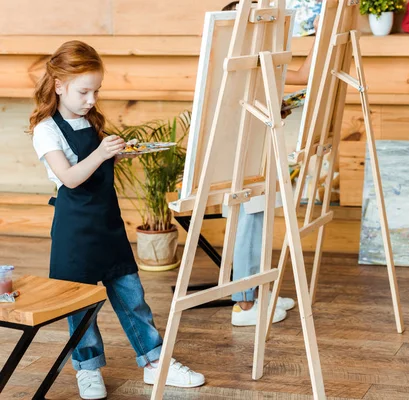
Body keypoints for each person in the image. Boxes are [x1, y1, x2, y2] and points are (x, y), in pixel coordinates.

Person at [28, 40, 204, 400]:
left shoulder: (91, 121)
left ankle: (156, 361)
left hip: (108, 223)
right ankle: (88, 368)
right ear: (59, 85)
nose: (92, 100)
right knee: (80, 304)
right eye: (84, 91)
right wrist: (101, 153)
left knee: (132, 295)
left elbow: (93, 166)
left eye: (97, 90)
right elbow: (71, 177)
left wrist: (113, 154)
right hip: (74, 231)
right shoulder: (47, 128)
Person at [221, 1, 322, 326]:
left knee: (260, 224)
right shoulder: (230, 63)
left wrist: (321, 36)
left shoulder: (263, 63)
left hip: (258, 154)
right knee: (250, 226)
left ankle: (259, 292)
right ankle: (245, 305)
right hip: (239, 159)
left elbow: (304, 76)